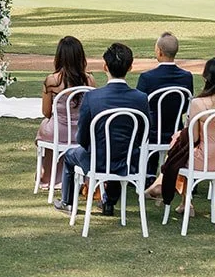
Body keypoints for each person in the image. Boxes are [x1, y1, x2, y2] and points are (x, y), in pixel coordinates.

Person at [54, 43, 151, 214]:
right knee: (117, 152)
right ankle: (109, 202)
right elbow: (144, 133)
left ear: (105, 66)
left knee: (69, 155)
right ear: (130, 67)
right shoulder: (140, 98)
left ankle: (67, 201)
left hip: (96, 159)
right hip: (127, 160)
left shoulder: (93, 97)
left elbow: (82, 137)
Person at [149, 57, 215, 207]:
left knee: (180, 146)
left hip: (204, 161)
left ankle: (179, 195)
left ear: (206, 77)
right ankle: (181, 200)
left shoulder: (198, 103)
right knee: (181, 146)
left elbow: (193, 138)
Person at [37, 36, 96, 187]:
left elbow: (46, 112)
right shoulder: (89, 80)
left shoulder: (52, 81)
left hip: (60, 131)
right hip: (82, 132)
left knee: (45, 125)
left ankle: (49, 174)